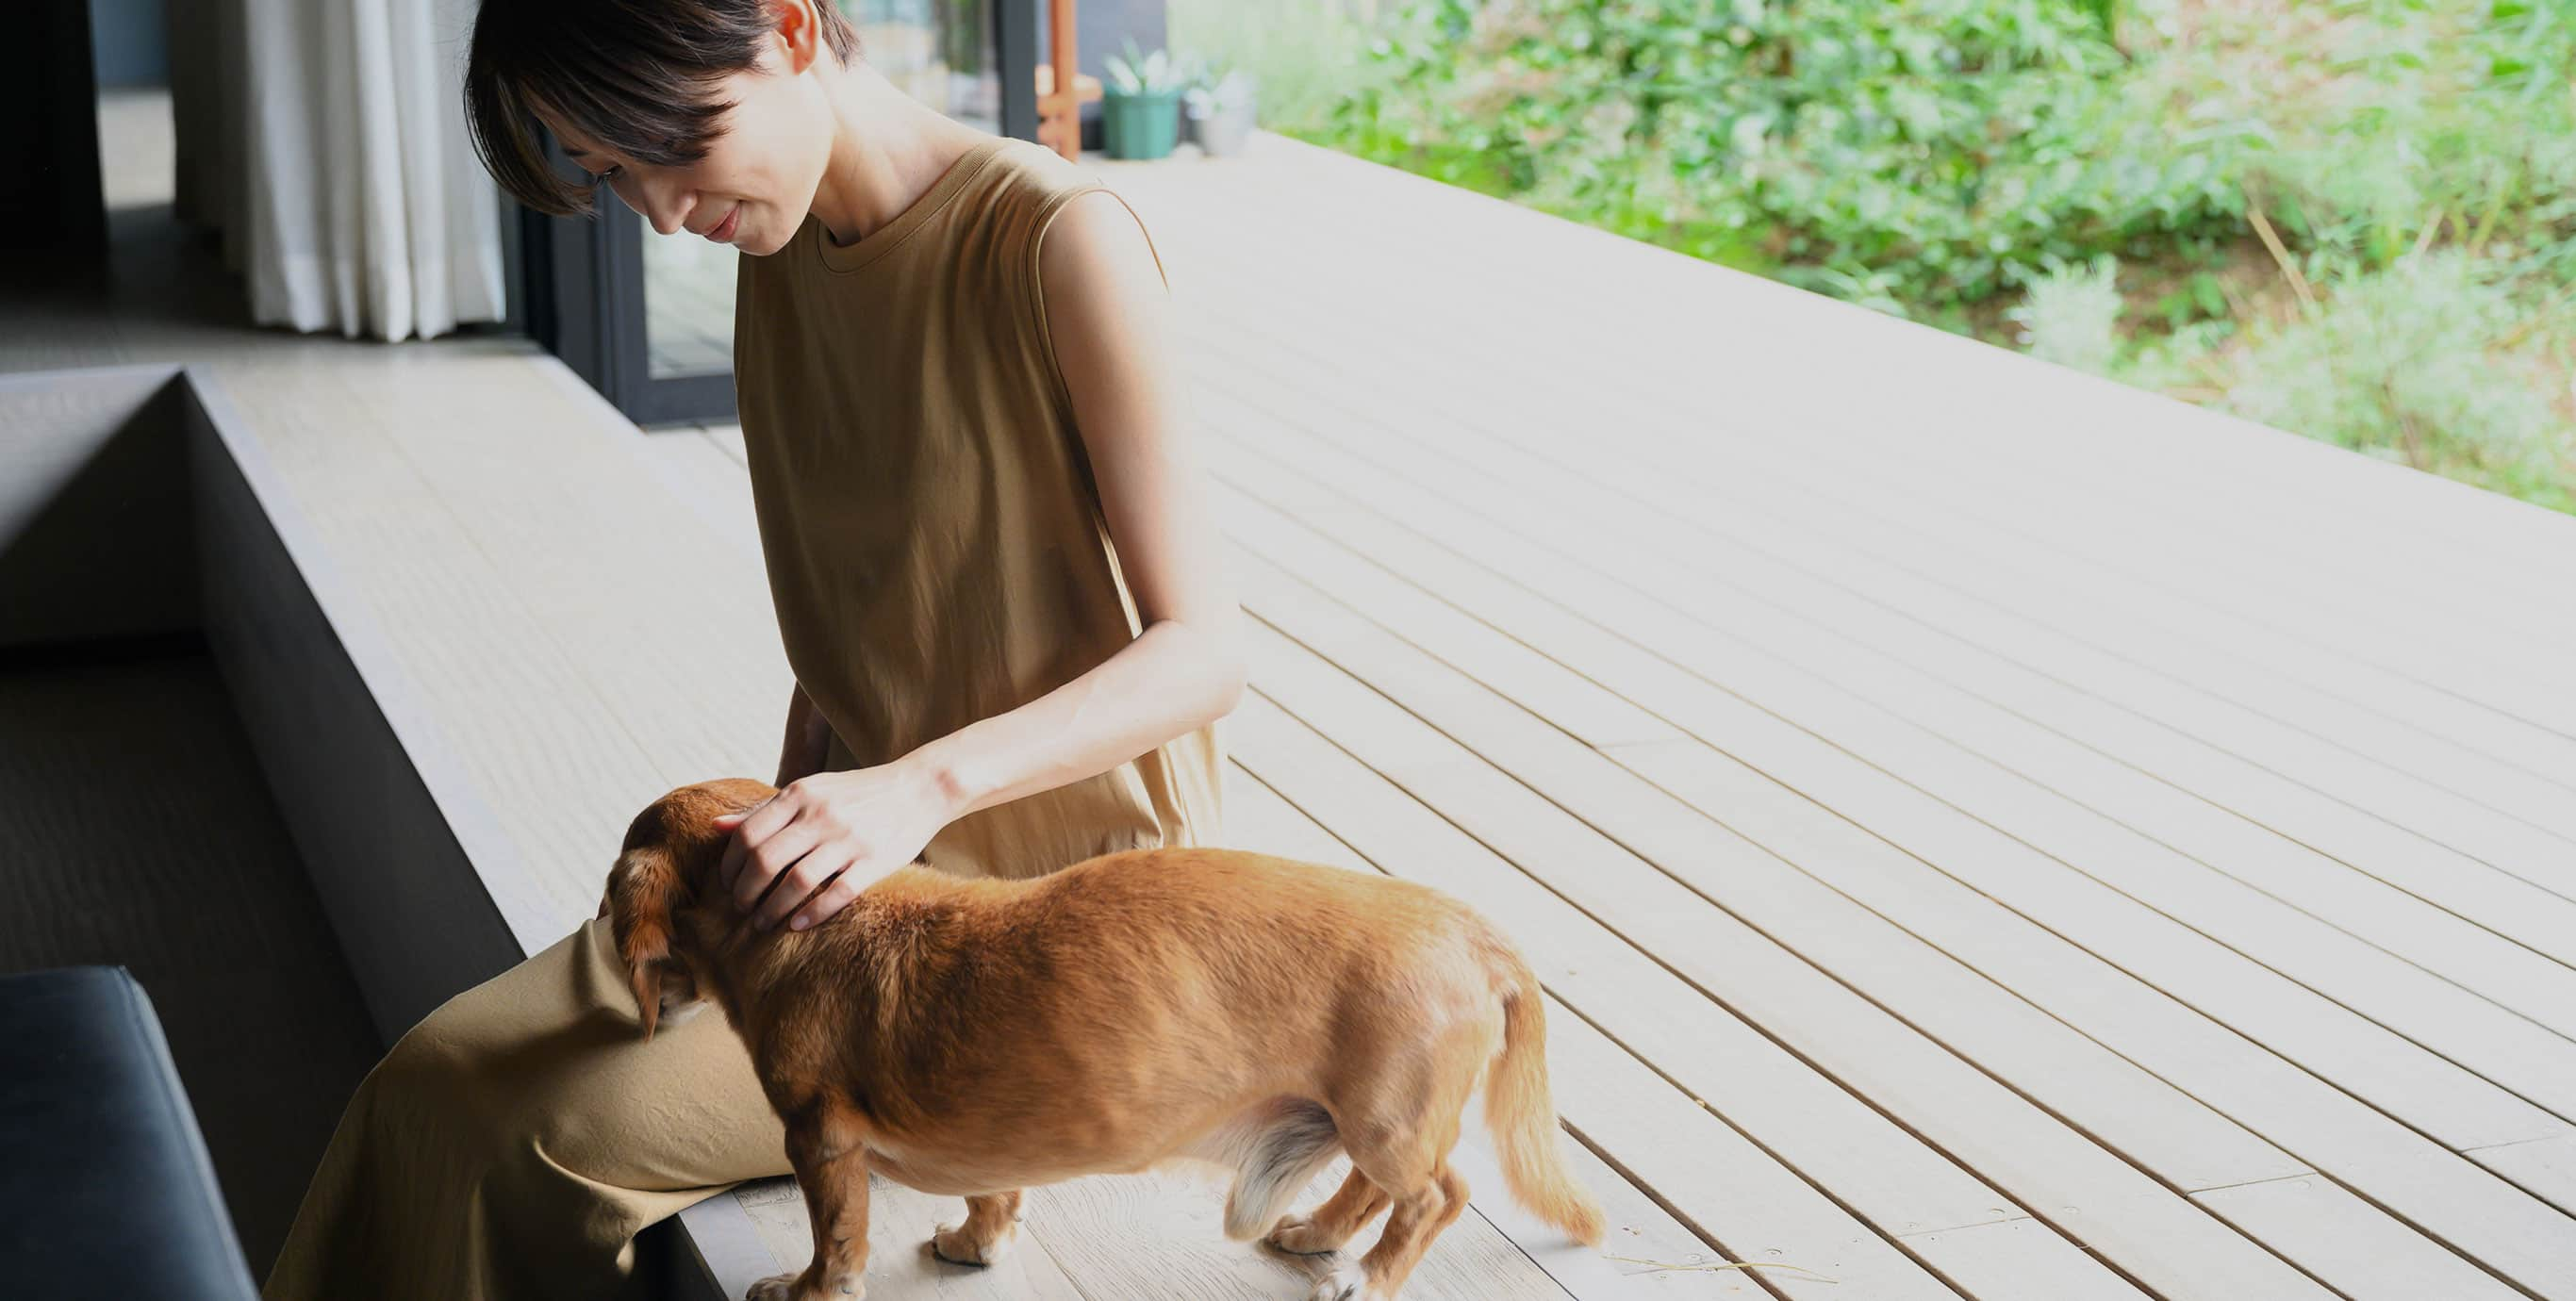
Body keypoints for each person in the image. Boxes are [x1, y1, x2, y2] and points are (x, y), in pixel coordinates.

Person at [258, 1, 1243, 1296]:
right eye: (613, 174)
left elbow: (1204, 652)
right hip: (857, 878)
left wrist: (914, 790)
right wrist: (788, 821)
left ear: (789, 26)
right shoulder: (781, 247)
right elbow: (867, 609)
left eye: (673, 145)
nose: (662, 213)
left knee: (527, 1138)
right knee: (430, 1078)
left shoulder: (1059, 240)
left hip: (1033, 930)